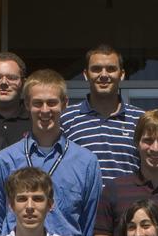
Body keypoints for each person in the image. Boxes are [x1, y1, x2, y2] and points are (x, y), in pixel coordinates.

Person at [0, 69, 103, 236]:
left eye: (52, 103)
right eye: (38, 103)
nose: (45, 110)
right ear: (27, 105)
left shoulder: (86, 163)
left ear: (65, 104)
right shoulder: (4, 160)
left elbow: (90, 226)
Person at [60, 44, 145, 184]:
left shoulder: (140, 119)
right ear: (86, 75)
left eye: (111, 69)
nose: (104, 75)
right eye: (96, 69)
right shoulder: (66, 118)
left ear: (122, 74)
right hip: (83, 205)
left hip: (128, 205)